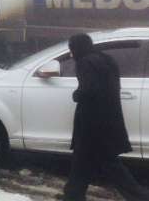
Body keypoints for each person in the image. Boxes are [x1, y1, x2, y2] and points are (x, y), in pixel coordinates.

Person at [59, 34, 149, 201]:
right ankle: (72, 195)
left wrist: (76, 94)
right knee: (83, 161)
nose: (71, 53)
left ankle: (140, 196)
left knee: (105, 163)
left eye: (72, 48)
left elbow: (89, 90)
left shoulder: (85, 62)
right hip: (108, 119)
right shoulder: (106, 59)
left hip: (91, 123)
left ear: (77, 47)